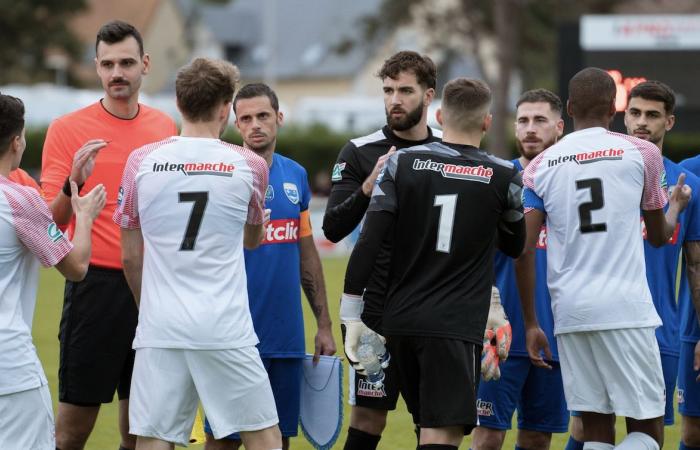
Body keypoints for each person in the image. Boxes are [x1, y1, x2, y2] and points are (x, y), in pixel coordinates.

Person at [342, 77, 526, 450]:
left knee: (378, 421)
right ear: (487, 122)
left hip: (398, 324)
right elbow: (515, 244)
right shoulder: (505, 175)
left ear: (440, 115)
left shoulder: (401, 163)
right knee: (438, 436)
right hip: (454, 329)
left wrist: (350, 314)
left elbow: (369, 239)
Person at [517, 67, 691, 450]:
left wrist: (531, 321)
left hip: (570, 314)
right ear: (615, 109)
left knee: (594, 429)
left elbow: (524, 248)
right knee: (646, 430)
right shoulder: (643, 154)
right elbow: (660, 237)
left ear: (572, 107)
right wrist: (675, 206)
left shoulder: (539, 166)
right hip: (625, 309)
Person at [114, 57, 282, 450]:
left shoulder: (141, 161)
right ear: (226, 108)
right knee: (265, 437)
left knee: (154, 439)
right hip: (223, 326)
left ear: (178, 101)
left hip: (161, 325)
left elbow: (129, 257)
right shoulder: (250, 164)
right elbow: (253, 240)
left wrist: (150, 307)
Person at [40, 20, 177, 450]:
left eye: (127, 63)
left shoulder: (165, 129)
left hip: (152, 286)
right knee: (74, 428)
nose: (117, 73)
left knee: (142, 425)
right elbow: (49, 222)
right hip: (94, 287)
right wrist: (71, 185)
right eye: (108, 64)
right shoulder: (67, 129)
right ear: (97, 68)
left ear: (145, 65)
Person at [566, 80, 700, 450]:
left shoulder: (690, 185)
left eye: (653, 115)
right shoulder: (600, 169)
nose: (642, 122)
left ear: (669, 122)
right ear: (622, 117)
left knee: (648, 431)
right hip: (602, 316)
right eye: (635, 113)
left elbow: (695, 265)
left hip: (659, 326)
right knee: (587, 427)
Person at [203, 83, 336, 450]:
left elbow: (306, 253)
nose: (255, 125)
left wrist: (323, 324)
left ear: (279, 117)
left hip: (286, 337)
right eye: (245, 118)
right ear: (235, 125)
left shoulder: (296, 176)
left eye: (263, 116)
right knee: (223, 440)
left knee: (279, 441)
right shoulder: (222, 175)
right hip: (233, 336)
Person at [323, 50, 442, 450]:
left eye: (405, 90)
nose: (395, 99)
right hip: (375, 313)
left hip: (434, 308)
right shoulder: (359, 151)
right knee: (368, 418)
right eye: (388, 90)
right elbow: (333, 226)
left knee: (434, 421)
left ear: (429, 95)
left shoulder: (450, 151)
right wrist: (365, 188)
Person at [0, 94, 106, 449]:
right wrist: (86, 216)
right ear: (17, 142)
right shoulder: (20, 200)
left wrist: (68, 182)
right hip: (10, 368)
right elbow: (75, 268)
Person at [472, 89, 567, 450]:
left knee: (538, 437)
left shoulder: (571, 185)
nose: (530, 129)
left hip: (559, 332)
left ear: (559, 127)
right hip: (498, 334)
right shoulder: (496, 181)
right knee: (488, 436)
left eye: (540, 120)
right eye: (523, 120)